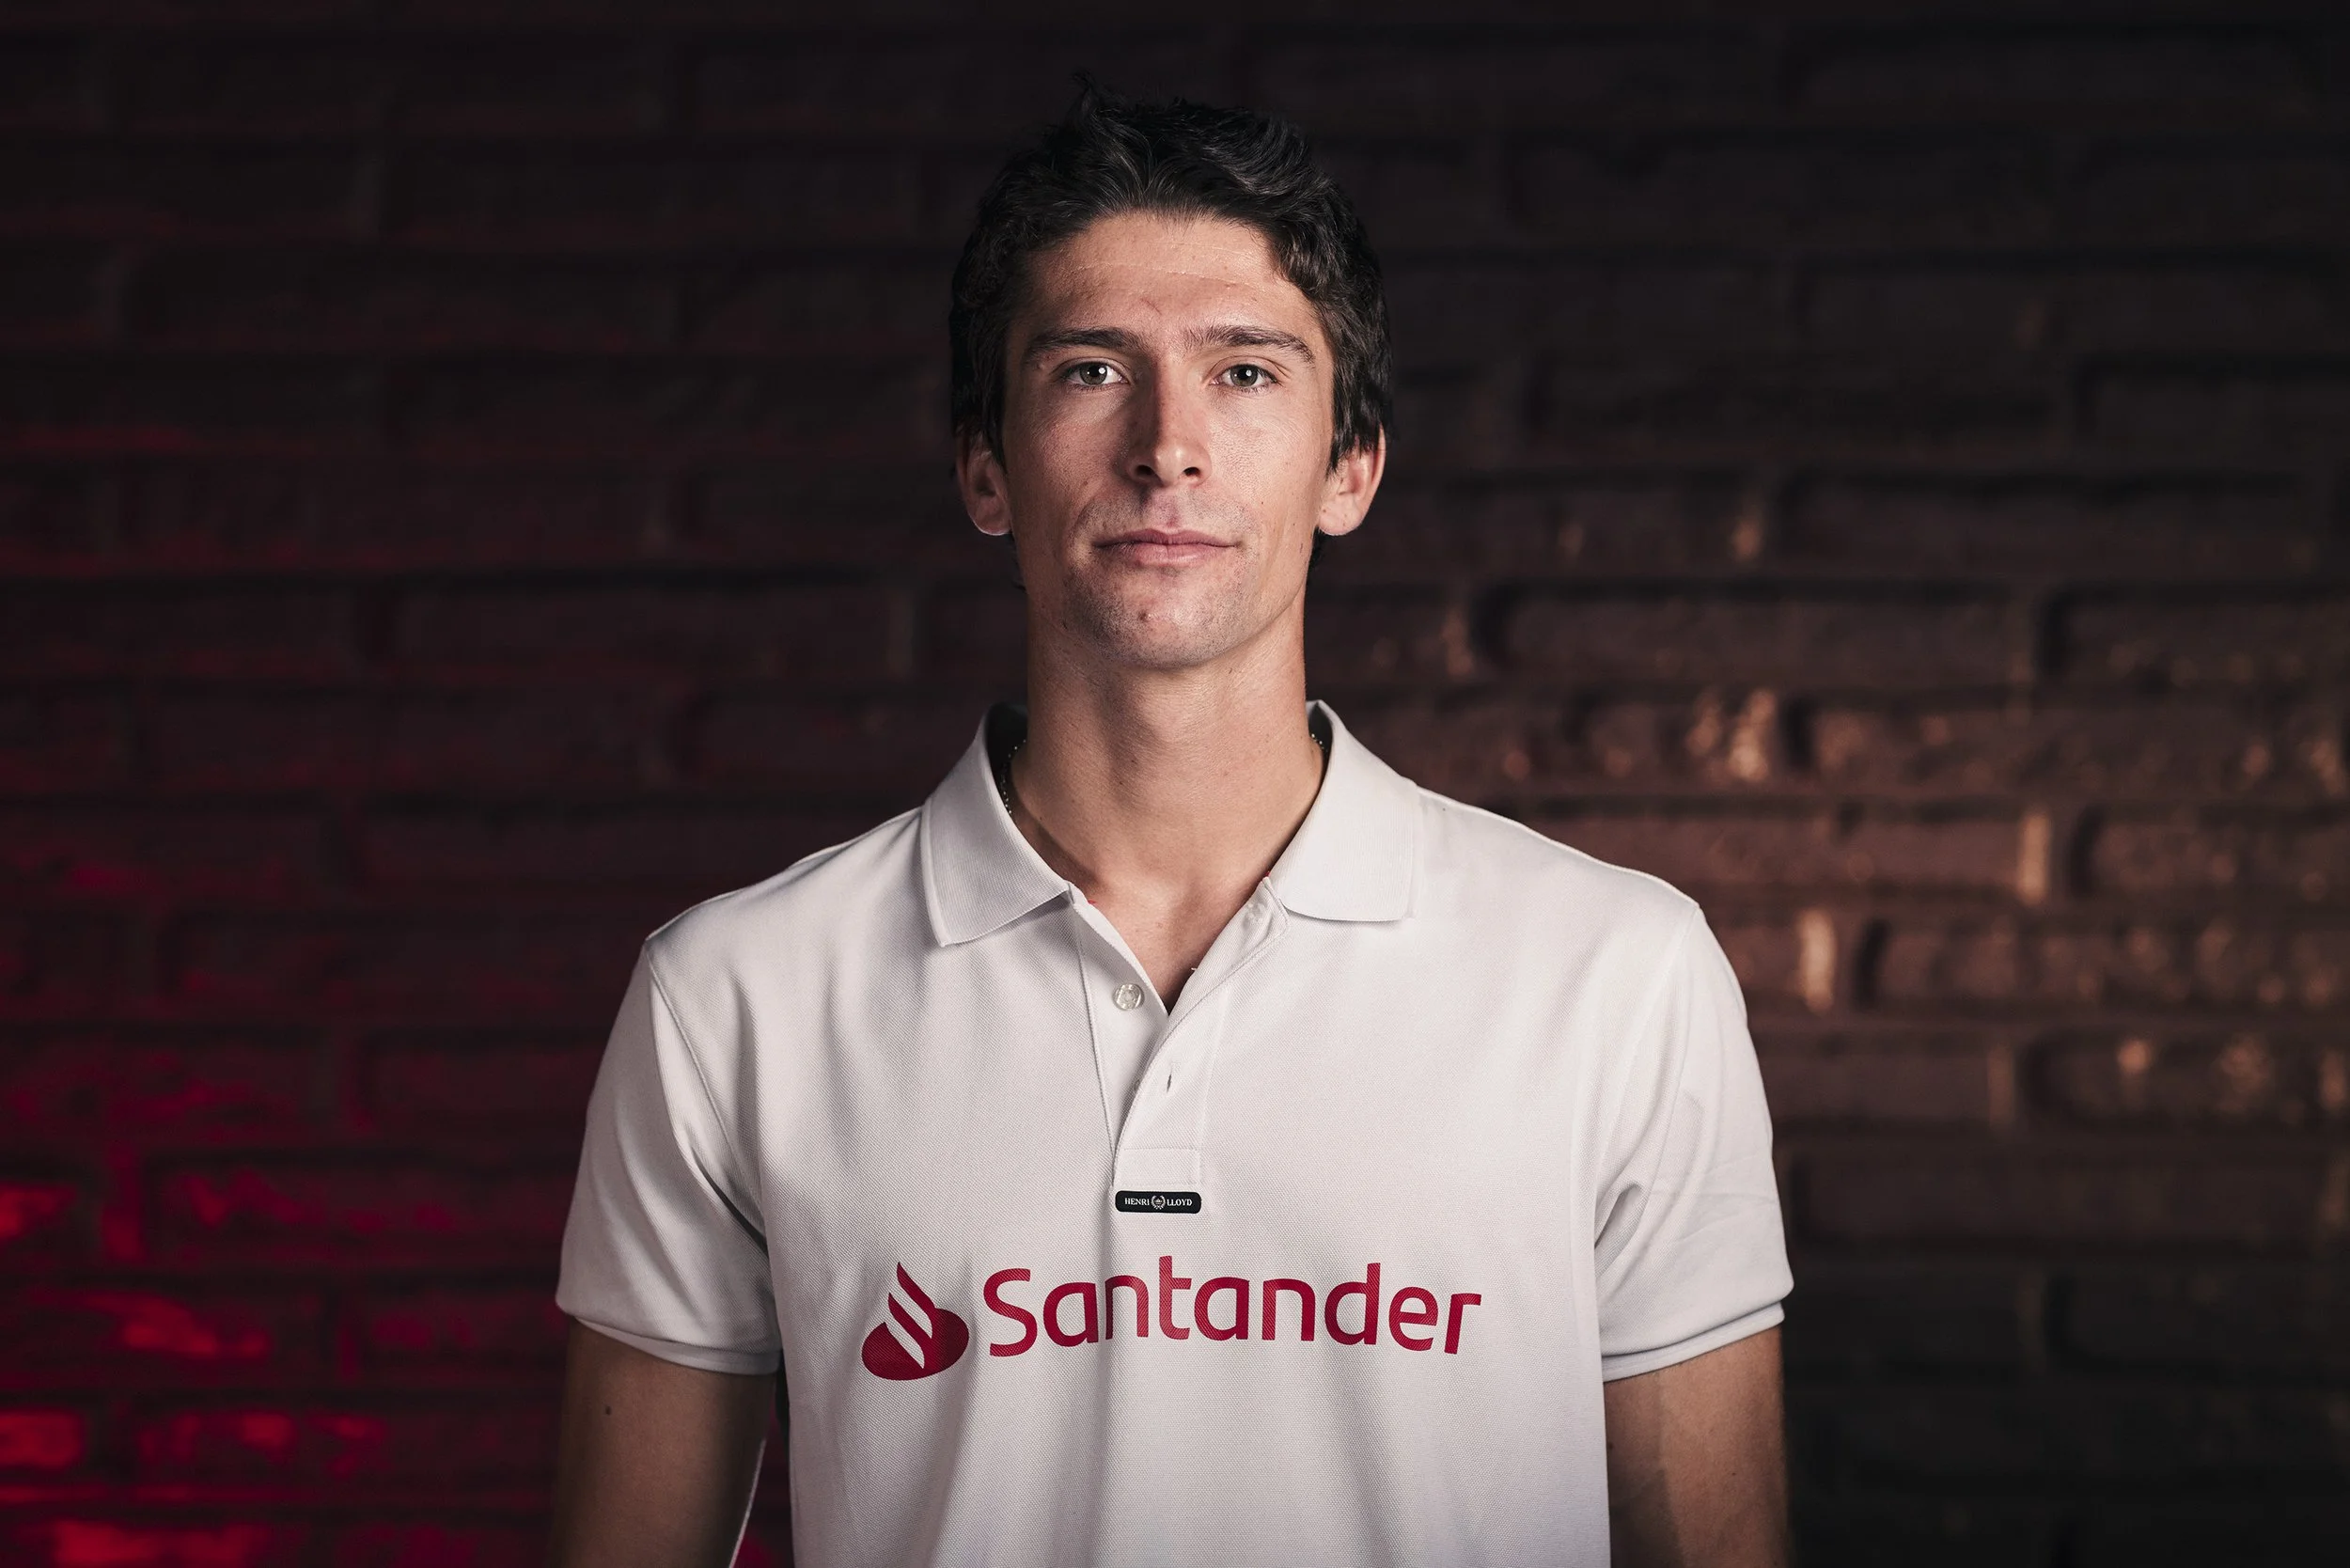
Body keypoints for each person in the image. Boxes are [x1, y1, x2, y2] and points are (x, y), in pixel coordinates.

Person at [548, 86, 1791, 1568]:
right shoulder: (734, 997)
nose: (1168, 446)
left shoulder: (1616, 973)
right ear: (985, 466)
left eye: (1246, 372)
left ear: (1352, 465)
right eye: (1090, 370)